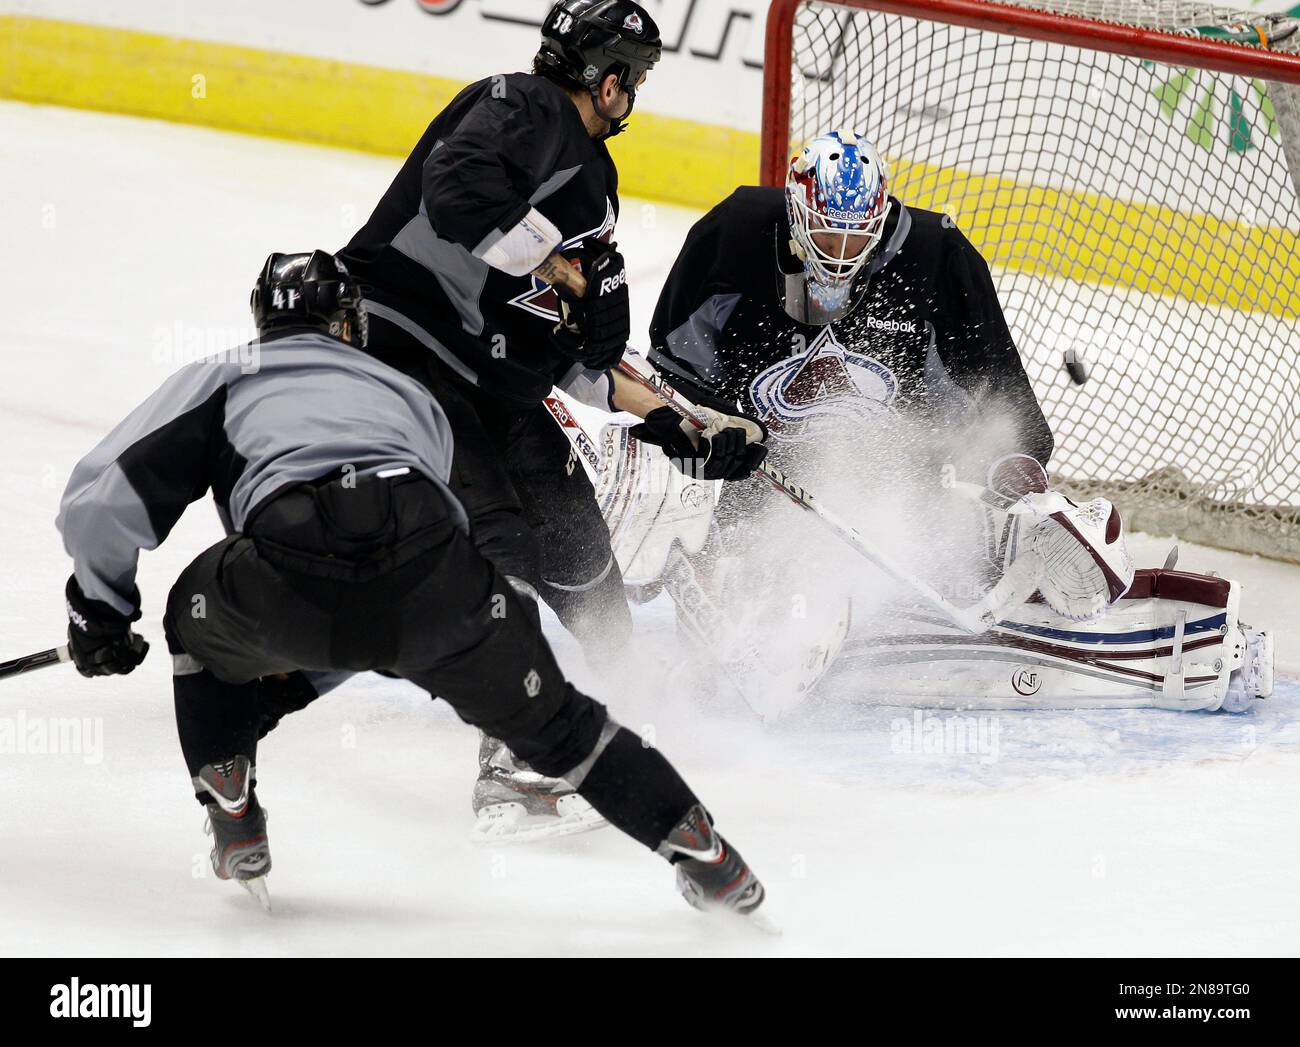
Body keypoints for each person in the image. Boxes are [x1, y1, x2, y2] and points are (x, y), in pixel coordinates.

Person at [54, 250, 767, 920]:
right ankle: (706, 852)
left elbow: (102, 498)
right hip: (436, 577)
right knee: (565, 727)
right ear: (349, 323)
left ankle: (230, 802)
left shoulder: (227, 375)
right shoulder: (404, 391)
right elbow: (413, 546)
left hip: (288, 572)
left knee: (195, 625)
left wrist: (101, 613)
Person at [335, 0, 766, 837]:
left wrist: (681, 422)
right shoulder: (523, 106)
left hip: (493, 378)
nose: (633, 94)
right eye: (633, 79)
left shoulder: (589, 189)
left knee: (578, 546)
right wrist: (570, 273)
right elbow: (456, 193)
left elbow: (570, 359)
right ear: (608, 82)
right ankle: (516, 760)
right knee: (500, 546)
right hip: (402, 350)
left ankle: (619, 700)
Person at [628, 130, 1134, 699]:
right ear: (795, 213)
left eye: (857, 236)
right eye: (825, 232)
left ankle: (1019, 547)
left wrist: (1014, 471)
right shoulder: (733, 234)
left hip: (899, 480)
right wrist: (717, 426)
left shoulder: (936, 253)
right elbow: (673, 371)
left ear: (882, 219)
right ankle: (727, 583)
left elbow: (997, 386)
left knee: (962, 559)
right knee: (738, 591)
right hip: (759, 474)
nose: (840, 253)